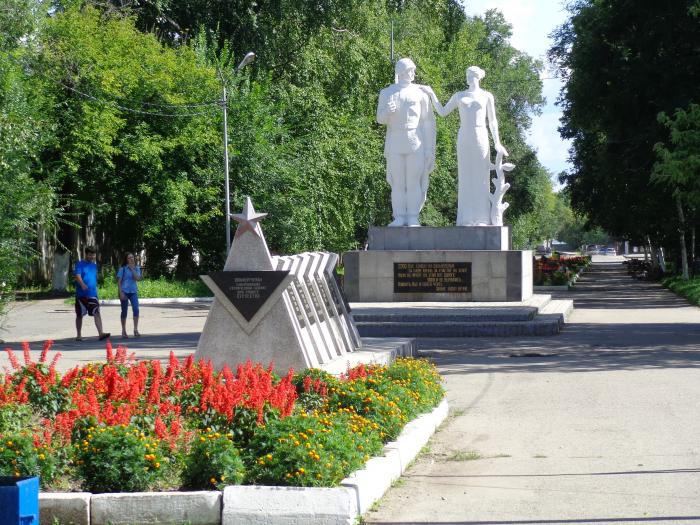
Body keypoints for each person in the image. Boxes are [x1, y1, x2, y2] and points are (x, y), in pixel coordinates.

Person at [421, 66, 508, 226]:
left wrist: (497, 142)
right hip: (464, 136)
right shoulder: (459, 95)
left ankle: (482, 218)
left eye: (470, 75)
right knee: (466, 176)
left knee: (481, 176)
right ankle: (466, 218)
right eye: (467, 75)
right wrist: (431, 93)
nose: (467, 78)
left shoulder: (487, 96)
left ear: (477, 77)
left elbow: (492, 121)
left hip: (481, 135)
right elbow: (442, 111)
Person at [376, 57, 436, 227]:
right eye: (411, 70)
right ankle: (400, 216)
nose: (413, 73)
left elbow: (428, 122)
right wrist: (387, 112)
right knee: (397, 181)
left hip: (415, 140)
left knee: (413, 180)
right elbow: (380, 118)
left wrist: (430, 149)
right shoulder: (387, 92)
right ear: (401, 72)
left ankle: (412, 217)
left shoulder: (420, 93)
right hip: (395, 139)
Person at [74, 246, 110, 341]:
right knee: (79, 315)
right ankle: (79, 335)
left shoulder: (94, 265)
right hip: (81, 294)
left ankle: (101, 333)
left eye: (93, 255)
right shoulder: (80, 264)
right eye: (90, 254)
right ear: (86, 254)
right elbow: (77, 276)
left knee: (97, 312)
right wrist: (82, 284)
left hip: (93, 294)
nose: (92, 256)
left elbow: (93, 278)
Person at [117, 252, 142, 338]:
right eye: (129, 258)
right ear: (126, 260)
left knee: (136, 309)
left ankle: (135, 329)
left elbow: (138, 278)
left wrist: (132, 269)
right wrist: (120, 292)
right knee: (124, 312)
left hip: (133, 292)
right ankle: (123, 330)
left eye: (132, 257)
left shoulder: (137, 268)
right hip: (124, 291)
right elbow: (119, 282)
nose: (131, 259)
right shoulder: (122, 269)